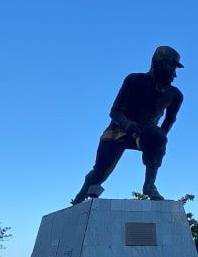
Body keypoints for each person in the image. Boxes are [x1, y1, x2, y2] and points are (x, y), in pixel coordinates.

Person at [71, 46, 184, 204]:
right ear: (161, 64)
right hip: (117, 130)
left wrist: (159, 140)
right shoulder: (134, 81)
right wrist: (127, 124)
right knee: (101, 172)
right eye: (172, 67)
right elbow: (115, 112)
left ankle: (149, 185)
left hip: (145, 132)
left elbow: (169, 121)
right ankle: (82, 195)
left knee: (157, 136)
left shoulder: (175, 95)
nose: (175, 74)